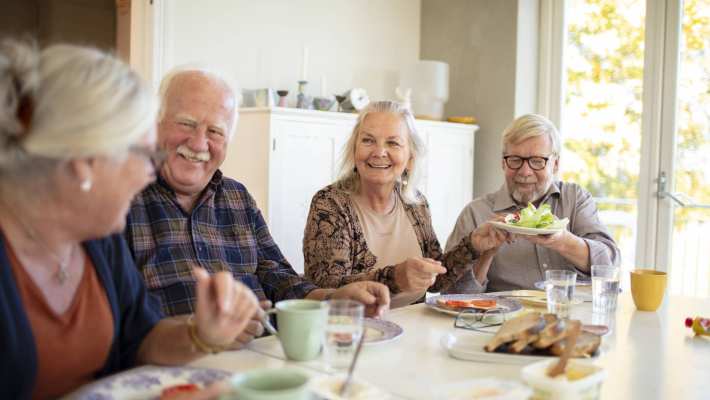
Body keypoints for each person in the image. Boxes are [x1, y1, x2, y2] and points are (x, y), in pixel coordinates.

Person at [0, 41, 260, 399]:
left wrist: (202, 334)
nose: (149, 173)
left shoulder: (96, 238)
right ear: (85, 161)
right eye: (142, 155)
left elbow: (143, 338)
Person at [124, 67, 390, 323]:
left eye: (215, 131)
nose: (198, 143)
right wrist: (197, 336)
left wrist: (335, 299)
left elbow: (279, 279)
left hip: (260, 355)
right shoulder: (123, 201)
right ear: (154, 124)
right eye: (186, 123)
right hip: (174, 365)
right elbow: (118, 321)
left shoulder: (237, 198)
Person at [303, 101, 492, 308]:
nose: (379, 152)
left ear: (410, 157)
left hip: (413, 326)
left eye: (393, 143)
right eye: (368, 140)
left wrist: (473, 245)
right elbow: (326, 288)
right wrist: (396, 278)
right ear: (354, 149)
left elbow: (435, 279)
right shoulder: (330, 204)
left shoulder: (415, 203)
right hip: (355, 329)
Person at [445, 114, 621, 293]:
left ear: (555, 164)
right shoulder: (476, 213)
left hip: (572, 314)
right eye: (515, 160)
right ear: (503, 163)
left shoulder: (575, 199)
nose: (525, 171)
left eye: (537, 161)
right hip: (508, 318)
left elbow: (610, 264)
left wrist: (562, 240)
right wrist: (486, 255)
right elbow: (450, 296)